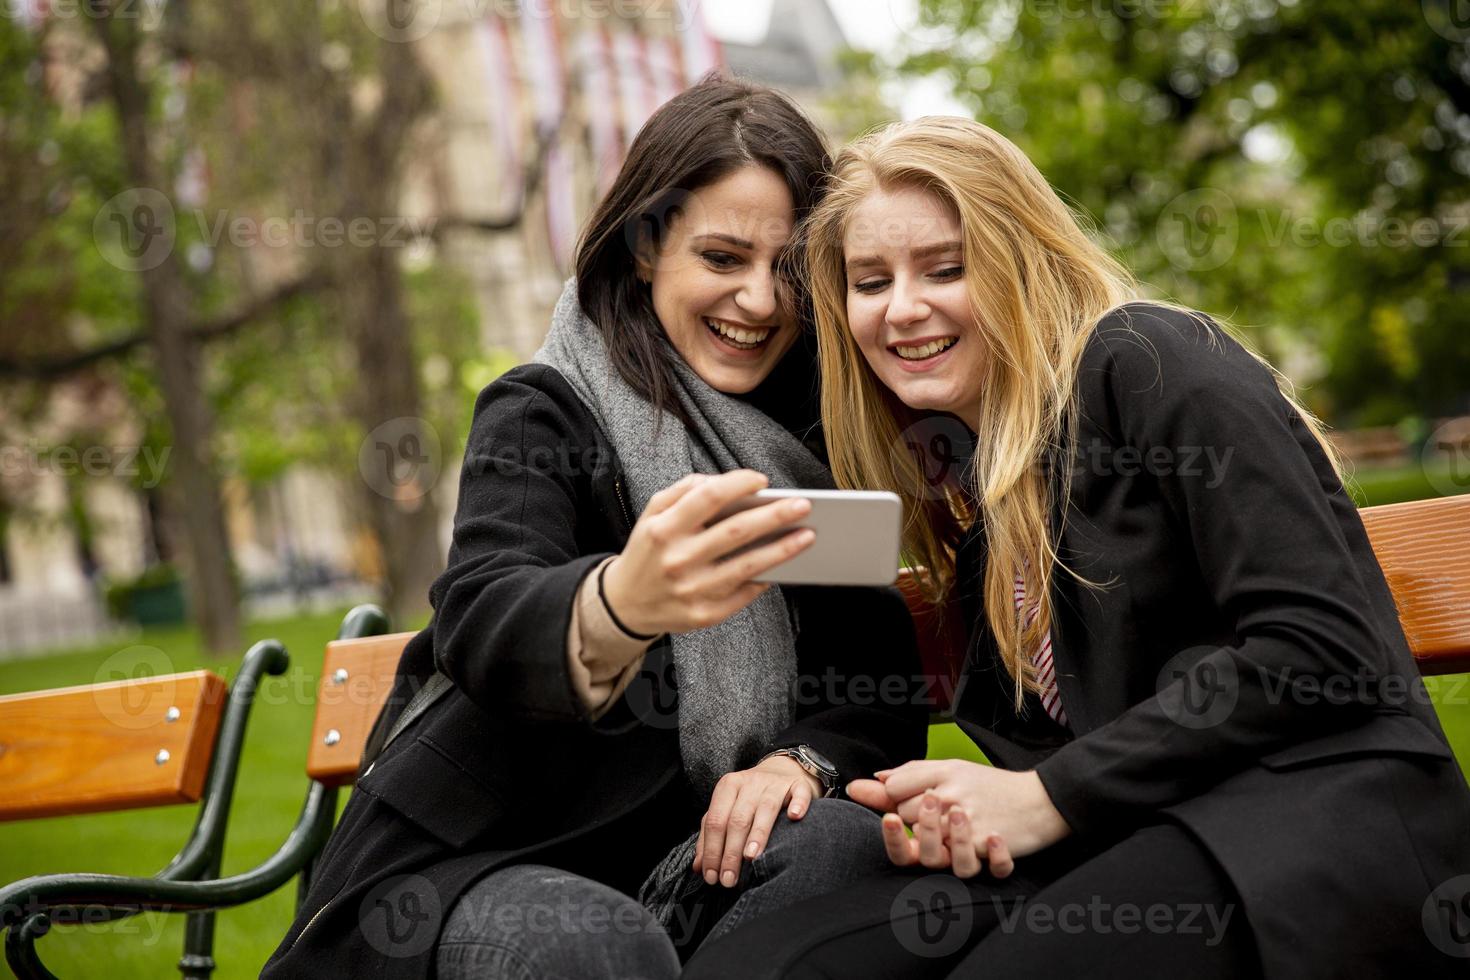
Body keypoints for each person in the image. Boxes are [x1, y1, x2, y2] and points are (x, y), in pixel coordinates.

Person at [683, 116, 1470, 978]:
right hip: (1133, 839)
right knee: (771, 963)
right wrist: (970, 811)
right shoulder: (980, 513)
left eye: (947, 267)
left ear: (1024, 257)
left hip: (1315, 827)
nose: (903, 308)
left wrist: (1050, 796)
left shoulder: (1151, 360)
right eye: (871, 282)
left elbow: (1320, 645)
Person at [261, 78, 926, 980]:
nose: (761, 303)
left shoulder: (816, 435)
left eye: (790, 269)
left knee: (842, 845)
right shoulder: (544, 410)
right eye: (723, 258)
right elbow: (482, 613)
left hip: (677, 877)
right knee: (590, 944)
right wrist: (620, 601)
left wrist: (800, 763)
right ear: (648, 245)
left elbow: (873, 680)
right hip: (472, 869)